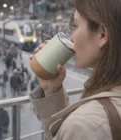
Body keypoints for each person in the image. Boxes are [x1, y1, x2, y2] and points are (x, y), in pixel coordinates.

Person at [29, 0, 121, 140]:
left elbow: (78, 128)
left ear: (102, 35)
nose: (72, 37)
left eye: (76, 25)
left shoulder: (84, 125)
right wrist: (52, 90)